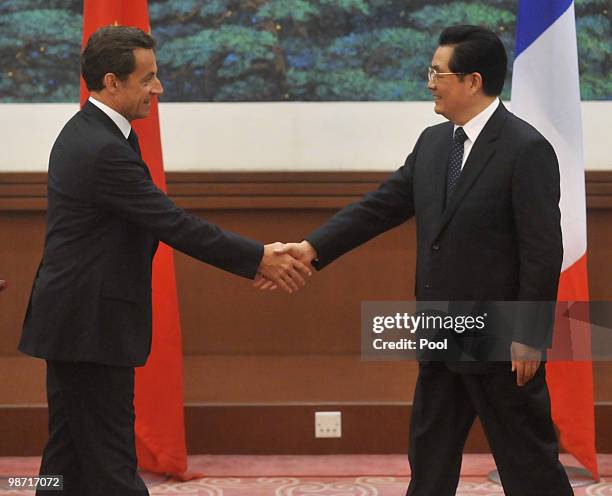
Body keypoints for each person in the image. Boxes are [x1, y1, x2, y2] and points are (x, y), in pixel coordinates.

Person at [263, 25, 573, 496]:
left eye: (437, 72)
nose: (429, 82)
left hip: (499, 341)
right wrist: (312, 247)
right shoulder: (434, 143)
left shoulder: (525, 149)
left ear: (472, 81)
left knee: (529, 465)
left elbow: (543, 250)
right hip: (439, 330)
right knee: (428, 459)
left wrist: (529, 335)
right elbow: (381, 206)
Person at [19, 26, 310, 496]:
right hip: (88, 326)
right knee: (111, 463)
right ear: (112, 82)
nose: (159, 88)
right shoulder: (100, 148)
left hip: (77, 321)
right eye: (148, 78)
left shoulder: (96, 133)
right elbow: (170, 222)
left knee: (67, 458)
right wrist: (258, 256)